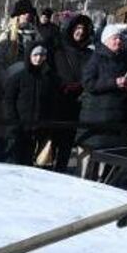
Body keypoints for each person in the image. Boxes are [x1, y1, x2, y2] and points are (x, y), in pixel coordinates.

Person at [79, 22, 127, 170]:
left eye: (120, 38)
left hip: (115, 118)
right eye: (115, 38)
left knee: (106, 160)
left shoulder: (122, 59)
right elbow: (88, 83)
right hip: (95, 116)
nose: (118, 41)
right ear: (106, 40)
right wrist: (114, 82)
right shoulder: (96, 58)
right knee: (88, 161)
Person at [0, 41, 60, 167]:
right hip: (19, 127)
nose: (38, 58)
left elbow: (52, 102)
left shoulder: (48, 79)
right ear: (29, 56)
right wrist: (13, 121)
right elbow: (9, 100)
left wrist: (48, 124)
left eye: (41, 55)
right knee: (14, 160)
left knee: (31, 162)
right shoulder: (18, 77)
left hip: (38, 128)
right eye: (35, 55)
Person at [45, 14, 93, 170]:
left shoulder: (88, 54)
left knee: (67, 144)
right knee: (51, 143)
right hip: (58, 101)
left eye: (83, 29)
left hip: (77, 104)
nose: (81, 32)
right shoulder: (58, 49)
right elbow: (49, 72)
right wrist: (61, 86)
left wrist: (80, 86)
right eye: (78, 28)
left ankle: (61, 170)